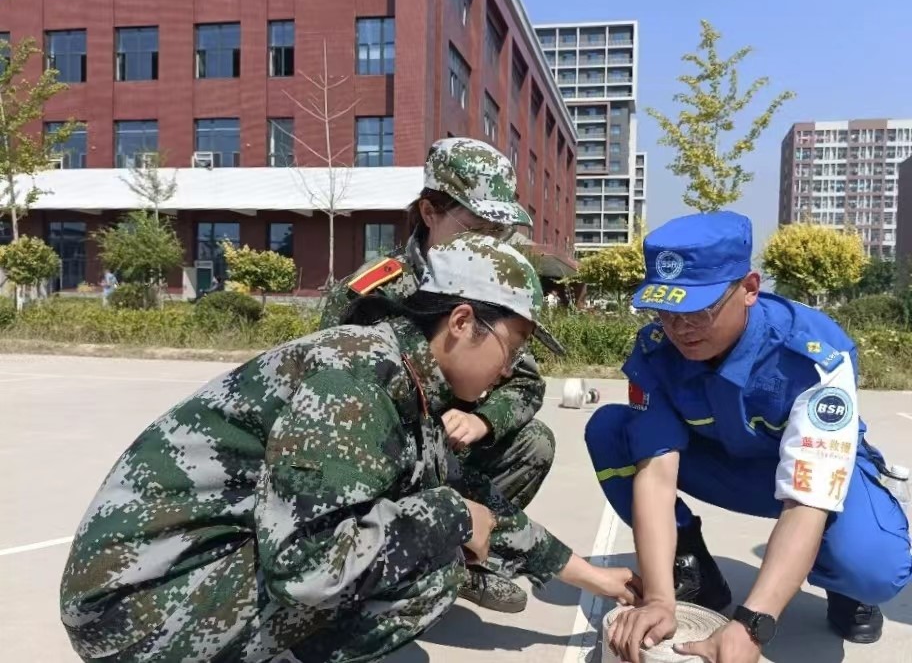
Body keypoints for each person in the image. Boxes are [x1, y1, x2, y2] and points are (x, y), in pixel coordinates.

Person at [60, 233, 642, 663]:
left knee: (429, 533)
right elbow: (310, 568)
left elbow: (478, 495)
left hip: (185, 574)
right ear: (461, 322)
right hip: (133, 611)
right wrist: (452, 517)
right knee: (431, 571)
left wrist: (595, 578)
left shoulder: (408, 377)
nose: (511, 368)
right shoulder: (356, 381)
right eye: (510, 347)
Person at [584, 211, 912, 663]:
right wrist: (659, 597)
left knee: (873, 566)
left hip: (814, 479)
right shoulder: (656, 350)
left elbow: (808, 498)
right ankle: (692, 569)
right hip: (733, 470)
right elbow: (657, 476)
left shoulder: (811, 354)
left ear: (750, 289)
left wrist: (751, 626)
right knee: (610, 430)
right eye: (666, 309)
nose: (680, 328)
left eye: (699, 310)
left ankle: (843, 585)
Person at [320, 136, 553, 613]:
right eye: (475, 224)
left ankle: (460, 560)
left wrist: (484, 419)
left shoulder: (497, 281)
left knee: (535, 442)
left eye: (498, 229)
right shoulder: (374, 292)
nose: (487, 240)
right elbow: (325, 392)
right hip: (383, 448)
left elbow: (526, 381)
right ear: (429, 212)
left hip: (454, 448)